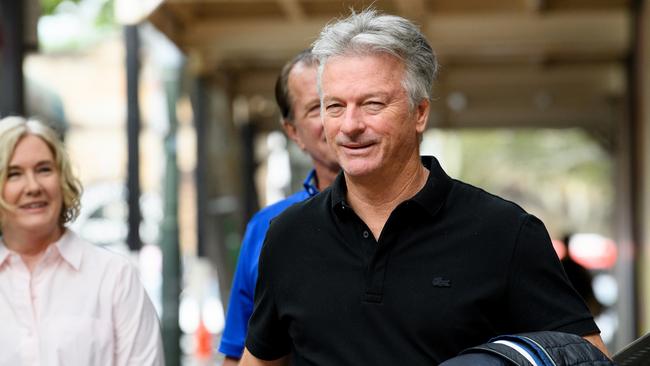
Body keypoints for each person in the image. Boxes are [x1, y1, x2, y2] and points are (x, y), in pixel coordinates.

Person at [240, 9, 609, 365]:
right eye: (334, 106)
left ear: (420, 113)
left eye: (372, 104)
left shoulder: (506, 233)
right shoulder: (288, 237)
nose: (349, 125)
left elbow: (589, 359)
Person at [0, 116, 164, 365]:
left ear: (62, 179)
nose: (33, 186)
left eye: (44, 169)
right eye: (14, 174)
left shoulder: (114, 277)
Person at [218, 49, 340, 365]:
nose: (337, 119)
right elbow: (239, 353)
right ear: (293, 132)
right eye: (317, 108)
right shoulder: (268, 227)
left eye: (339, 102)